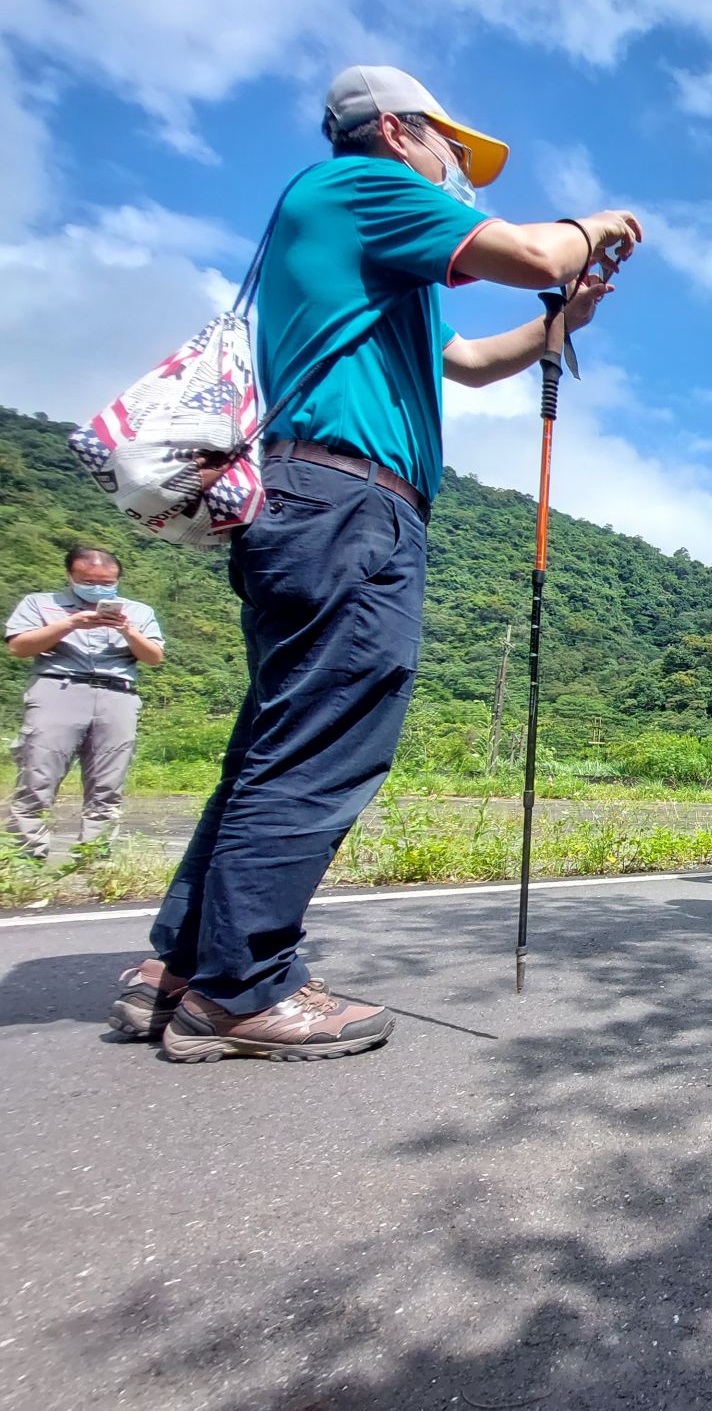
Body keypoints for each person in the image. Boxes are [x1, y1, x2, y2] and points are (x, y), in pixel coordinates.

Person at [107, 65, 642, 1061]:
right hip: (348, 504)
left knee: (280, 738)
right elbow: (533, 251)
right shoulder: (364, 186)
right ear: (397, 130)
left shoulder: (378, 255)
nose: (459, 169)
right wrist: (595, 225)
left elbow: (469, 363)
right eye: (452, 146)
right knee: (325, 742)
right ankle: (242, 987)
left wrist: (563, 323)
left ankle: (180, 965)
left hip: (314, 502)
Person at [7, 548, 164, 858]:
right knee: (38, 776)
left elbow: (154, 657)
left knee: (108, 784)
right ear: (70, 576)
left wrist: (127, 630)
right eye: (88, 581)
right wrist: (72, 623)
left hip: (117, 694)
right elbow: (19, 648)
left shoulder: (139, 611)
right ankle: (26, 858)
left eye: (107, 582)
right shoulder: (40, 603)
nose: (98, 589)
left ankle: (93, 859)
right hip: (58, 689)